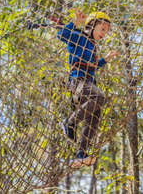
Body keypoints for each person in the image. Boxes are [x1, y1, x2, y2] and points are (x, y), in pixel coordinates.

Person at [56, 9, 118, 168]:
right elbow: (62, 35)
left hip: (89, 83)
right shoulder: (79, 37)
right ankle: (69, 123)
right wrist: (75, 22)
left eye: (107, 31)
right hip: (78, 81)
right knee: (99, 98)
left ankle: (81, 155)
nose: (105, 33)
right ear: (91, 25)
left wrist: (106, 59)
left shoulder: (92, 46)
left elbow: (94, 66)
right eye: (102, 29)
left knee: (95, 118)